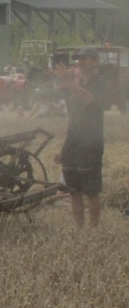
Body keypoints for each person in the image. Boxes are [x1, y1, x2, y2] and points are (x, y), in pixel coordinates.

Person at [54, 47, 105, 228]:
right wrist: (63, 148)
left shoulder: (101, 82)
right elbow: (73, 119)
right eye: (79, 59)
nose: (82, 62)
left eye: (86, 59)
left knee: (91, 190)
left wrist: (68, 81)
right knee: (73, 189)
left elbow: (90, 100)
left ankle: (93, 230)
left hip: (91, 143)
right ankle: (79, 229)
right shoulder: (77, 85)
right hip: (73, 142)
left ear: (96, 62)